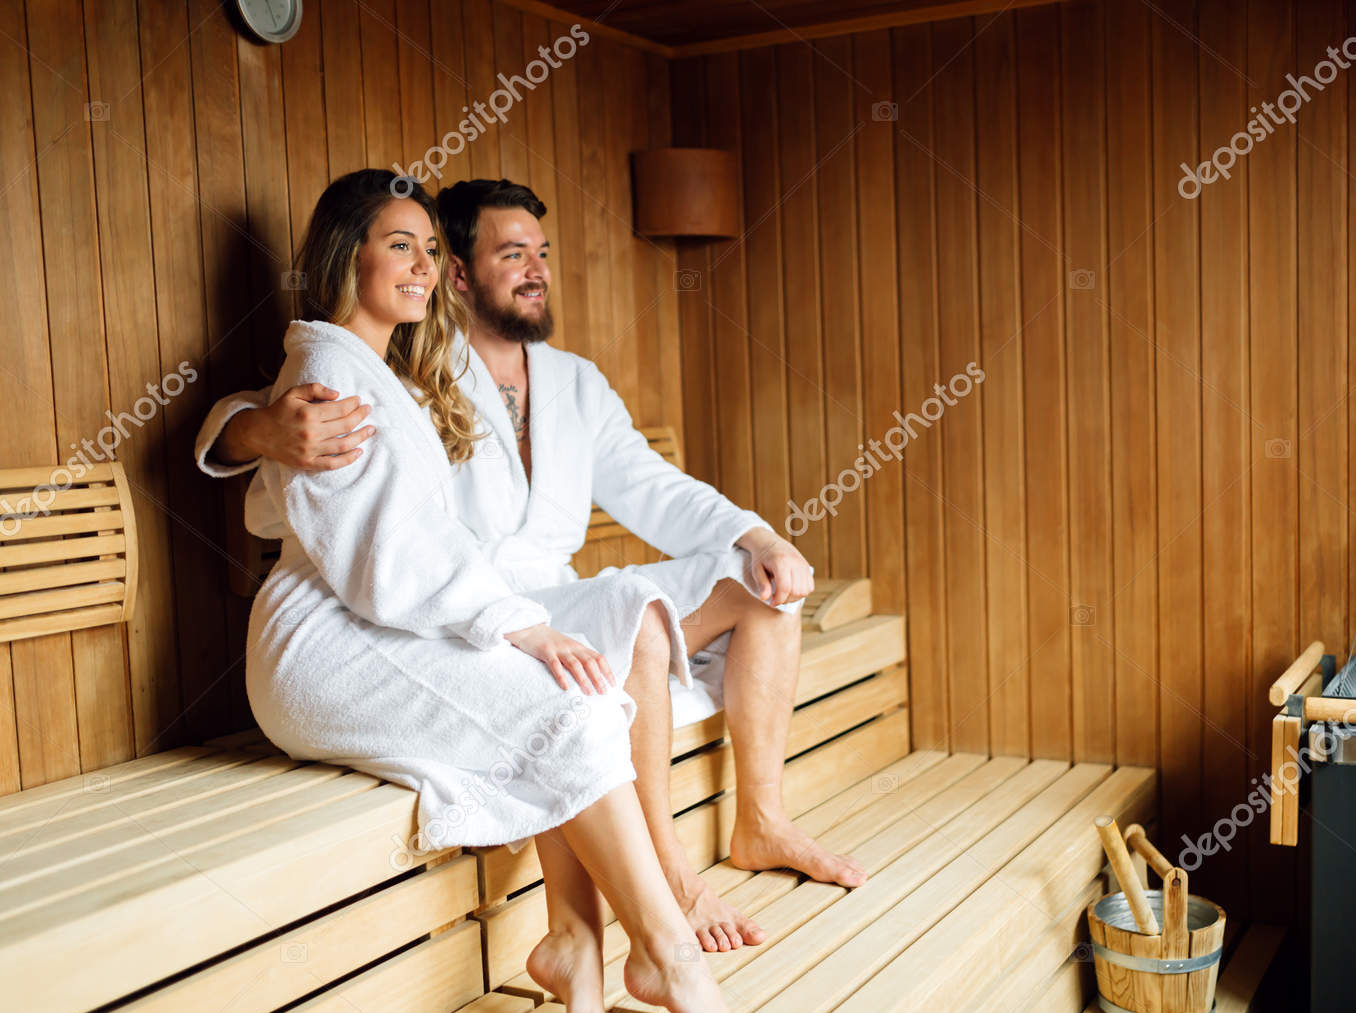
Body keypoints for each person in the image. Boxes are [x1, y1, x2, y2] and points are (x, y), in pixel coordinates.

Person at [197, 178, 866, 955]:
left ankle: (763, 821)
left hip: (557, 594)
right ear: (460, 273)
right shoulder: (414, 360)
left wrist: (755, 534)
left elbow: (652, 486)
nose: (536, 270)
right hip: (477, 610)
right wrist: (259, 433)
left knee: (760, 590)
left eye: (541, 253)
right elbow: (262, 406)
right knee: (638, 620)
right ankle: (671, 881)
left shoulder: (574, 381)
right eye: (512, 254)